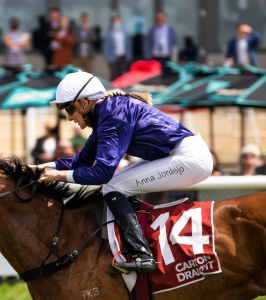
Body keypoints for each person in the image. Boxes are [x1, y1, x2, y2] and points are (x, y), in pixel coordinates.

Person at [33, 71, 212, 273]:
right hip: (181, 155)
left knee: (112, 185)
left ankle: (142, 254)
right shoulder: (105, 113)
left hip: (189, 158)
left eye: (68, 108)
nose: (69, 117)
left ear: (83, 103)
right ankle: (143, 237)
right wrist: (41, 168)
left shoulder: (111, 114)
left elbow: (102, 173)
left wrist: (58, 176)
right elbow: (81, 160)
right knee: (115, 184)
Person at [104, 16, 132, 80]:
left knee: (122, 75)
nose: (117, 23)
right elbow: (106, 46)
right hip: (113, 58)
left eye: (118, 21)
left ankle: (121, 89)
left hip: (123, 57)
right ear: (112, 23)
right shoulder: (109, 34)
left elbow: (128, 45)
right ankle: (113, 89)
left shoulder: (125, 33)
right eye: (115, 22)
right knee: (114, 75)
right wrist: (108, 57)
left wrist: (129, 55)